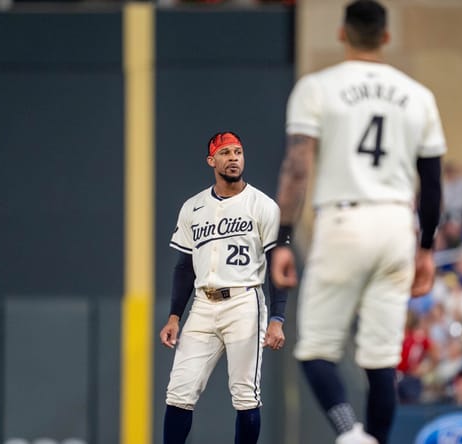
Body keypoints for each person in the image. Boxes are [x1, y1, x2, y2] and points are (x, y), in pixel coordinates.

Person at [270, 1, 446, 442]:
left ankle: (350, 434)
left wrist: (283, 239)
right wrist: (426, 248)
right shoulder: (418, 95)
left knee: (315, 350)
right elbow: (433, 183)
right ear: (385, 37)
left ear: (342, 34)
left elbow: (297, 167)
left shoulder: (317, 88)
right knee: (380, 360)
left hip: (343, 221)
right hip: (396, 225)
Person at [159, 131, 288, 444]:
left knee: (245, 394)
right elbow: (184, 266)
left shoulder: (262, 205)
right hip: (202, 304)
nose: (233, 158)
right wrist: (175, 315)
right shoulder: (193, 207)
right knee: (179, 391)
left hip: (244, 302)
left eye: (238, 152)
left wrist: (277, 319)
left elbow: (278, 267)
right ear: (211, 160)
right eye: (226, 153)